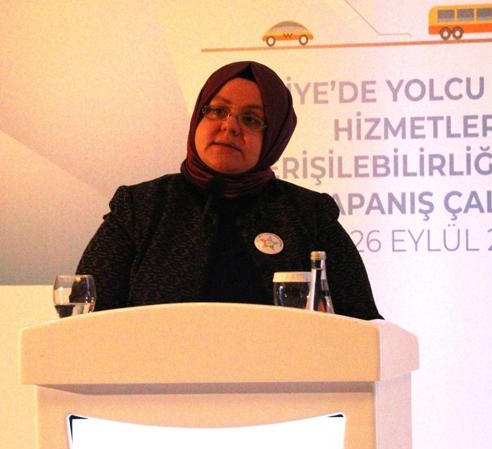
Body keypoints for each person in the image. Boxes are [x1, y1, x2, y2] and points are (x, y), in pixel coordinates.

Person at [76, 61, 381, 320]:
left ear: (274, 136)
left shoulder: (310, 215)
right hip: (155, 372)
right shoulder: (139, 208)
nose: (230, 126)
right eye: (218, 110)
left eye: (250, 119)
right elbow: (84, 319)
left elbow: (365, 326)